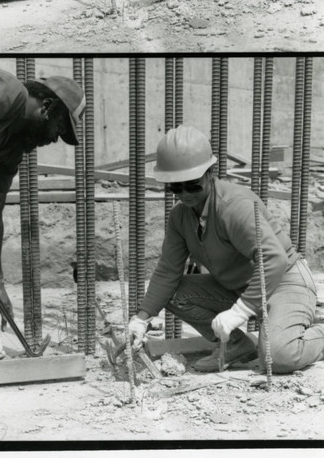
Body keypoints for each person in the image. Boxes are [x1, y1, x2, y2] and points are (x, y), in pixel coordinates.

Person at [129, 125, 324, 374]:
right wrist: (141, 319)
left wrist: (239, 311)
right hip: (241, 287)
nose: (184, 194)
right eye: (175, 187)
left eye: (192, 185)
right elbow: (167, 272)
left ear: (210, 173)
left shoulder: (234, 207)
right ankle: (236, 346)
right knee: (174, 293)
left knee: (278, 357)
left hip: (285, 281)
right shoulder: (180, 217)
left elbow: (274, 260)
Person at [0, 66, 85, 361]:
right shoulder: (7, 92)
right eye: (60, 128)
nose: (54, 140)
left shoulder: (11, 150)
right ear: (48, 107)